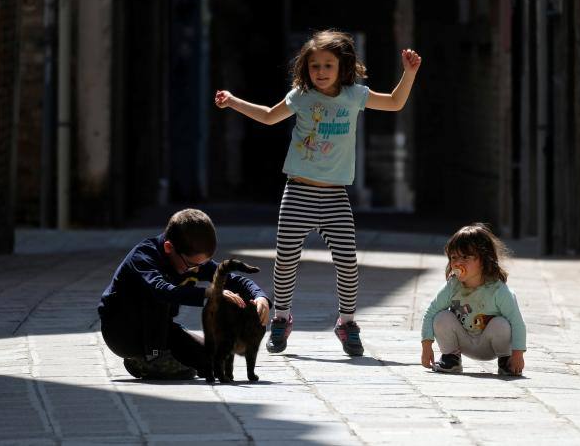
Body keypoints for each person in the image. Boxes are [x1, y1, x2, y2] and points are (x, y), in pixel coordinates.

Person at [214, 29, 421, 356]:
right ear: (305, 69)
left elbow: (395, 103)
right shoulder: (302, 96)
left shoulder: (355, 95)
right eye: (314, 66)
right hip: (298, 193)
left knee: (347, 262)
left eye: (328, 65)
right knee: (285, 259)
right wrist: (233, 101)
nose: (321, 72)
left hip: (336, 196)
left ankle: (347, 322)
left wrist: (408, 73)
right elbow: (269, 116)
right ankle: (281, 318)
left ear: (343, 66)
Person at [98, 208, 271, 380]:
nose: (196, 269)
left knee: (211, 359)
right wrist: (210, 293)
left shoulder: (192, 260)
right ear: (168, 247)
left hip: (161, 329)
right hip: (122, 332)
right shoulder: (144, 257)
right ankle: (151, 358)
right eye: (191, 265)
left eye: (202, 264)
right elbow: (163, 290)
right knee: (160, 295)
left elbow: (232, 279)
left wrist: (259, 296)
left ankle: (143, 361)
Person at [420, 223, 526, 375]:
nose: (458, 262)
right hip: (464, 342)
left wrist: (518, 355)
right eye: (454, 257)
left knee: (501, 324)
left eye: (465, 257)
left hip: (491, 345)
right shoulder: (453, 286)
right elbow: (430, 312)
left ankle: (505, 361)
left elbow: (517, 323)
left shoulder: (498, 290)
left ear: (483, 259)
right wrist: (426, 346)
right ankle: (451, 358)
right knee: (441, 316)